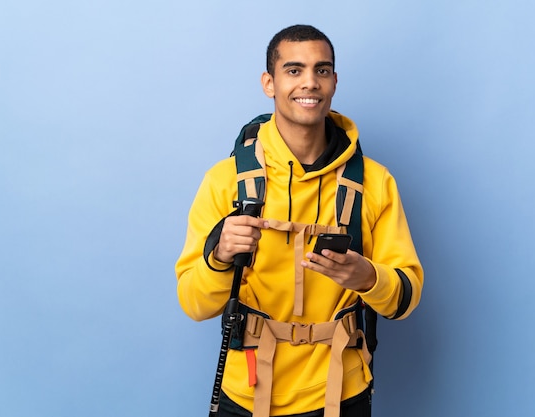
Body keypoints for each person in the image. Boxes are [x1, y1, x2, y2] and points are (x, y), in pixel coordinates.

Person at [175, 24, 424, 417]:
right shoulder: (225, 181)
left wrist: (368, 278)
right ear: (269, 82)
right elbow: (193, 302)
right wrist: (219, 254)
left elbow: (406, 296)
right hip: (246, 394)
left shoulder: (374, 182)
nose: (309, 82)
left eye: (321, 71)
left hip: (342, 393)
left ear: (334, 82)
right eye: (294, 70)